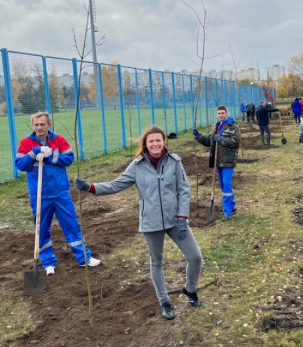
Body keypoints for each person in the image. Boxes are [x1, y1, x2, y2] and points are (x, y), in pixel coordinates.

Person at [74, 125, 202, 320]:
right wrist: (91, 187)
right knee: (156, 262)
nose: (155, 144)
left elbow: (184, 189)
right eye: (151, 141)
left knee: (195, 257)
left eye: (158, 140)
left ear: (163, 142)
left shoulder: (174, 162)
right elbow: (116, 184)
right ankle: (164, 302)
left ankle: (190, 289)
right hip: (151, 221)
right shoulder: (137, 166)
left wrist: (183, 217)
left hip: (176, 219)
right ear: (146, 144)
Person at [15, 112, 101, 276]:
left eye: (42, 124)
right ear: (33, 126)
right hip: (39, 194)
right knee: (41, 228)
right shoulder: (26, 143)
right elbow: (20, 164)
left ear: (49, 125)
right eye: (36, 125)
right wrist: (34, 153)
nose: (39, 127)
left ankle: (84, 258)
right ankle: (48, 262)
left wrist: (50, 156)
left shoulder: (58, 140)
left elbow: (68, 158)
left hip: (60, 192)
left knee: (71, 224)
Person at [193, 105, 241, 222]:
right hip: (217, 161)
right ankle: (231, 206)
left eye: (222, 113)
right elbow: (209, 142)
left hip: (228, 160)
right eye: (219, 113)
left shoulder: (233, 126)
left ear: (227, 113)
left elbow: (235, 141)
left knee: (226, 184)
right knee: (224, 185)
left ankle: (228, 212)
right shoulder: (215, 126)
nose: (220, 115)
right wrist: (198, 136)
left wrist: (220, 139)